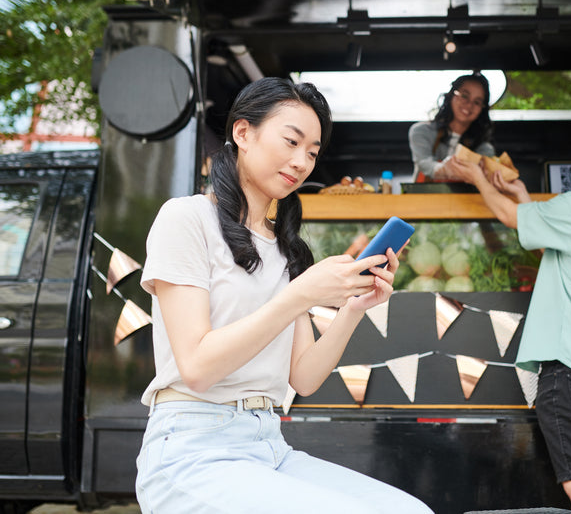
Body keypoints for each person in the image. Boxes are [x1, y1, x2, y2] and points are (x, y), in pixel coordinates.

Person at [135, 77, 433, 514]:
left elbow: (304, 378)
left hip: (269, 444)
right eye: (291, 142)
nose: (301, 162)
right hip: (191, 448)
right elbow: (196, 368)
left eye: (312, 152)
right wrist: (299, 295)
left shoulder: (287, 249)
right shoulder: (186, 219)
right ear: (243, 133)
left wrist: (353, 309)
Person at [450, 125, 571, 514]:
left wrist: (475, 178)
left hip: (570, 370)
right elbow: (555, 246)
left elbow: (509, 217)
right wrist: (522, 195)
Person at [409, 72, 495, 182]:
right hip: (424, 197)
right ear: (451, 96)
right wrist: (445, 169)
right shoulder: (422, 131)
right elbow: (424, 164)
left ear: (482, 109)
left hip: (466, 199)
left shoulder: (484, 149)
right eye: (464, 96)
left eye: (477, 102)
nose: (469, 105)